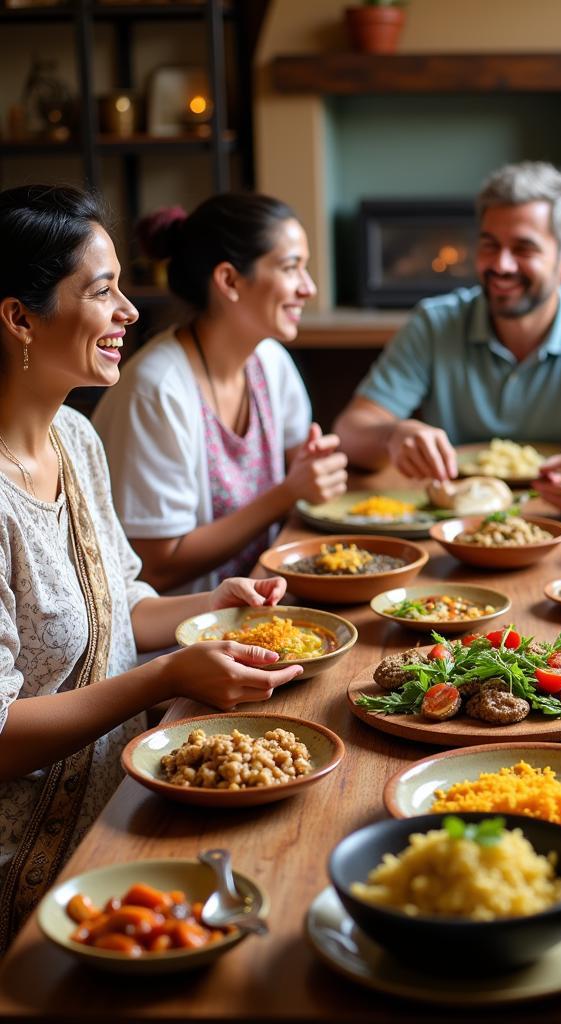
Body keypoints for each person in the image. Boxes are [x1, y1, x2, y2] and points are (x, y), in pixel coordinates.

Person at [0, 184, 305, 947]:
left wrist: (218, 607)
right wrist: (166, 677)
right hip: (23, 872)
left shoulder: (76, 436)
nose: (131, 312)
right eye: (102, 292)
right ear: (18, 318)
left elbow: (120, 600)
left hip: (115, 822)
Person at [332, 161, 561, 520]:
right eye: (489, 245)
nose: (501, 265)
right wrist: (391, 436)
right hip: (453, 521)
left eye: (523, 249)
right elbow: (349, 431)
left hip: (558, 518)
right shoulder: (434, 324)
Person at [92, 193, 348, 594]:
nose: (308, 288)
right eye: (290, 268)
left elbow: (301, 465)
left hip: (262, 606)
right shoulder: (156, 391)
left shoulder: (270, 362)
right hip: (180, 639)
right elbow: (158, 567)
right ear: (229, 280)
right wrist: (287, 493)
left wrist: (315, 471)